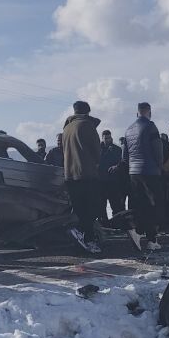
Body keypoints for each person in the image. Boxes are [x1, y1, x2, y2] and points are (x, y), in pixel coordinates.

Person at [121, 102, 164, 250]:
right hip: (150, 171)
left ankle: (137, 232)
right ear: (149, 112)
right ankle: (152, 239)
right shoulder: (151, 126)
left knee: (138, 204)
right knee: (153, 205)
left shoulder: (128, 130)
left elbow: (124, 156)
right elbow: (158, 149)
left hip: (134, 171)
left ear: (137, 112)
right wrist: (160, 166)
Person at [61, 100, 103, 253]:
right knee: (93, 208)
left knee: (80, 209)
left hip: (70, 174)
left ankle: (86, 237)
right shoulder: (87, 125)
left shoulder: (66, 128)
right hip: (86, 172)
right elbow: (97, 151)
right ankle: (84, 234)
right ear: (88, 111)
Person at [98, 128, 125, 218]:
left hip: (113, 180)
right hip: (101, 181)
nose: (107, 140)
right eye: (105, 138)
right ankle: (104, 223)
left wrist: (116, 166)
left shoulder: (117, 149)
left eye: (108, 138)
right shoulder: (97, 149)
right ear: (102, 138)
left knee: (115, 204)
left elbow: (122, 162)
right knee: (101, 205)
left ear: (111, 138)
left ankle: (117, 223)